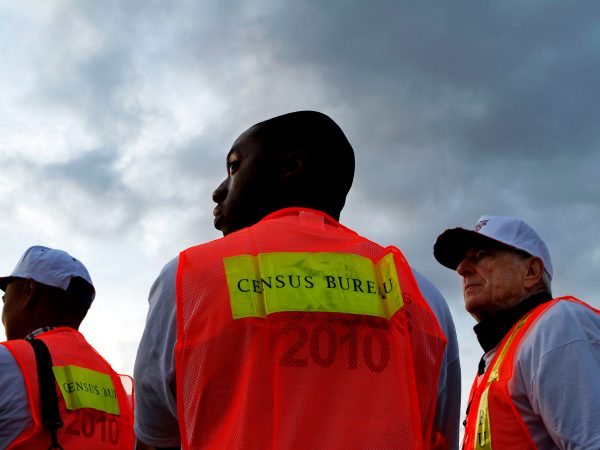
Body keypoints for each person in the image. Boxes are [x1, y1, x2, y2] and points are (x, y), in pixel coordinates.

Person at [134, 110, 460, 449]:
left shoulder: (190, 277)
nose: (219, 191)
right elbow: (439, 436)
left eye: (234, 168)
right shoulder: (424, 296)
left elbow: (156, 435)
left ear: (291, 168)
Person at [434, 215, 600, 450]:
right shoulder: (498, 358)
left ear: (531, 271)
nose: (462, 269)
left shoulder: (555, 325)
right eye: (463, 260)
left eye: (482, 255)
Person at [0, 245, 135, 449]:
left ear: (29, 291)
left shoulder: (7, 361)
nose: (4, 305)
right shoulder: (118, 387)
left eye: (4, 297)